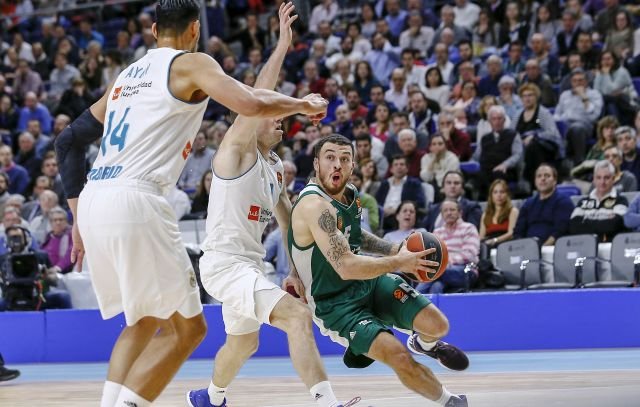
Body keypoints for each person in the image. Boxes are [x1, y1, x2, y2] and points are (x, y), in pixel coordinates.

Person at [54, 2, 328, 407]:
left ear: (153, 31)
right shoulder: (191, 64)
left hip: (96, 198)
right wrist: (301, 105)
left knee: (144, 321)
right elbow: (251, 104)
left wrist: (78, 217)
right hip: (137, 198)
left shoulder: (126, 77)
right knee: (189, 329)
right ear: (195, 29)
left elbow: (67, 142)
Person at [187, 5, 348, 407]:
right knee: (297, 317)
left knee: (244, 344)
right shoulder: (235, 153)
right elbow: (256, 97)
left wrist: (295, 269)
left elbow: (288, 221)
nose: (280, 119)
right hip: (223, 264)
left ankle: (209, 398)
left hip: (250, 265)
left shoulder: (275, 166)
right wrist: (282, 47)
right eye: (272, 114)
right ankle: (326, 402)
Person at [288, 134, 469, 407]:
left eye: (344, 159)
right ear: (316, 164)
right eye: (330, 158)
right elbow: (346, 266)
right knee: (399, 357)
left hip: (368, 282)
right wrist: (400, 262)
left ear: (353, 165)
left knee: (438, 325)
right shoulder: (314, 205)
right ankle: (450, 401)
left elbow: (356, 236)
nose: (337, 165)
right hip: (335, 304)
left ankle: (424, 344)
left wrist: (395, 249)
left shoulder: (351, 194)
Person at [418, 199, 480, 294]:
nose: (449, 213)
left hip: (465, 270)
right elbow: (432, 256)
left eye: (452, 210)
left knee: (434, 272)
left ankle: (412, 298)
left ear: (460, 213)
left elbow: (469, 255)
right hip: (441, 271)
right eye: (445, 210)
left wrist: (446, 262)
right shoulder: (437, 232)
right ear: (442, 215)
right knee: (436, 286)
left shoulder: (469, 228)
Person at [514, 164, 574, 246]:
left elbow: (559, 232)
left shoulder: (564, 202)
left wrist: (542, 248)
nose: (542, 179)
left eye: (547, 176)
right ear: (535, 181)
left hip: (552, 248)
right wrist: (522, 248)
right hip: (527, 248)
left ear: (555, 181)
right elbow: (518, 232)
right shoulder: (528, 204)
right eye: (539, 176)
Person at [515, 83, 563, 185]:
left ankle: (534, 182)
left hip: (543, 148)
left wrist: (535, 136)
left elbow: (552, 133)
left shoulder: (542, 113)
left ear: (536, 97)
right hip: (521, 146)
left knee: (533, 147)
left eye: (530, 95)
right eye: (524, 96)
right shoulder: (518, 115)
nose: (527, 99)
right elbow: (511, 134)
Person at [569, 160, 628, 242]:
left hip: (610, 245)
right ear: (593, 179)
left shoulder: (621, 200)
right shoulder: (583, 202)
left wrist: (585, 222)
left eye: (606, 178)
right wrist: (604, 223)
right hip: (585, 244)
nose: (602, 182)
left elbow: (614, 225)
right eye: (598, 177)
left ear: (613, 179)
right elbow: (573, 226)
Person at [479, 180, 519, 251]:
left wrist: (495, 240)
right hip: (489, 246)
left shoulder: (513, 211)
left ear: (507, 194)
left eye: (502, 192)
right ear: (491, 195)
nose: (499, 195)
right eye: (495, 192)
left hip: (507, 245)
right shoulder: (485, 214)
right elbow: (481, 237)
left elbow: (511, 233)